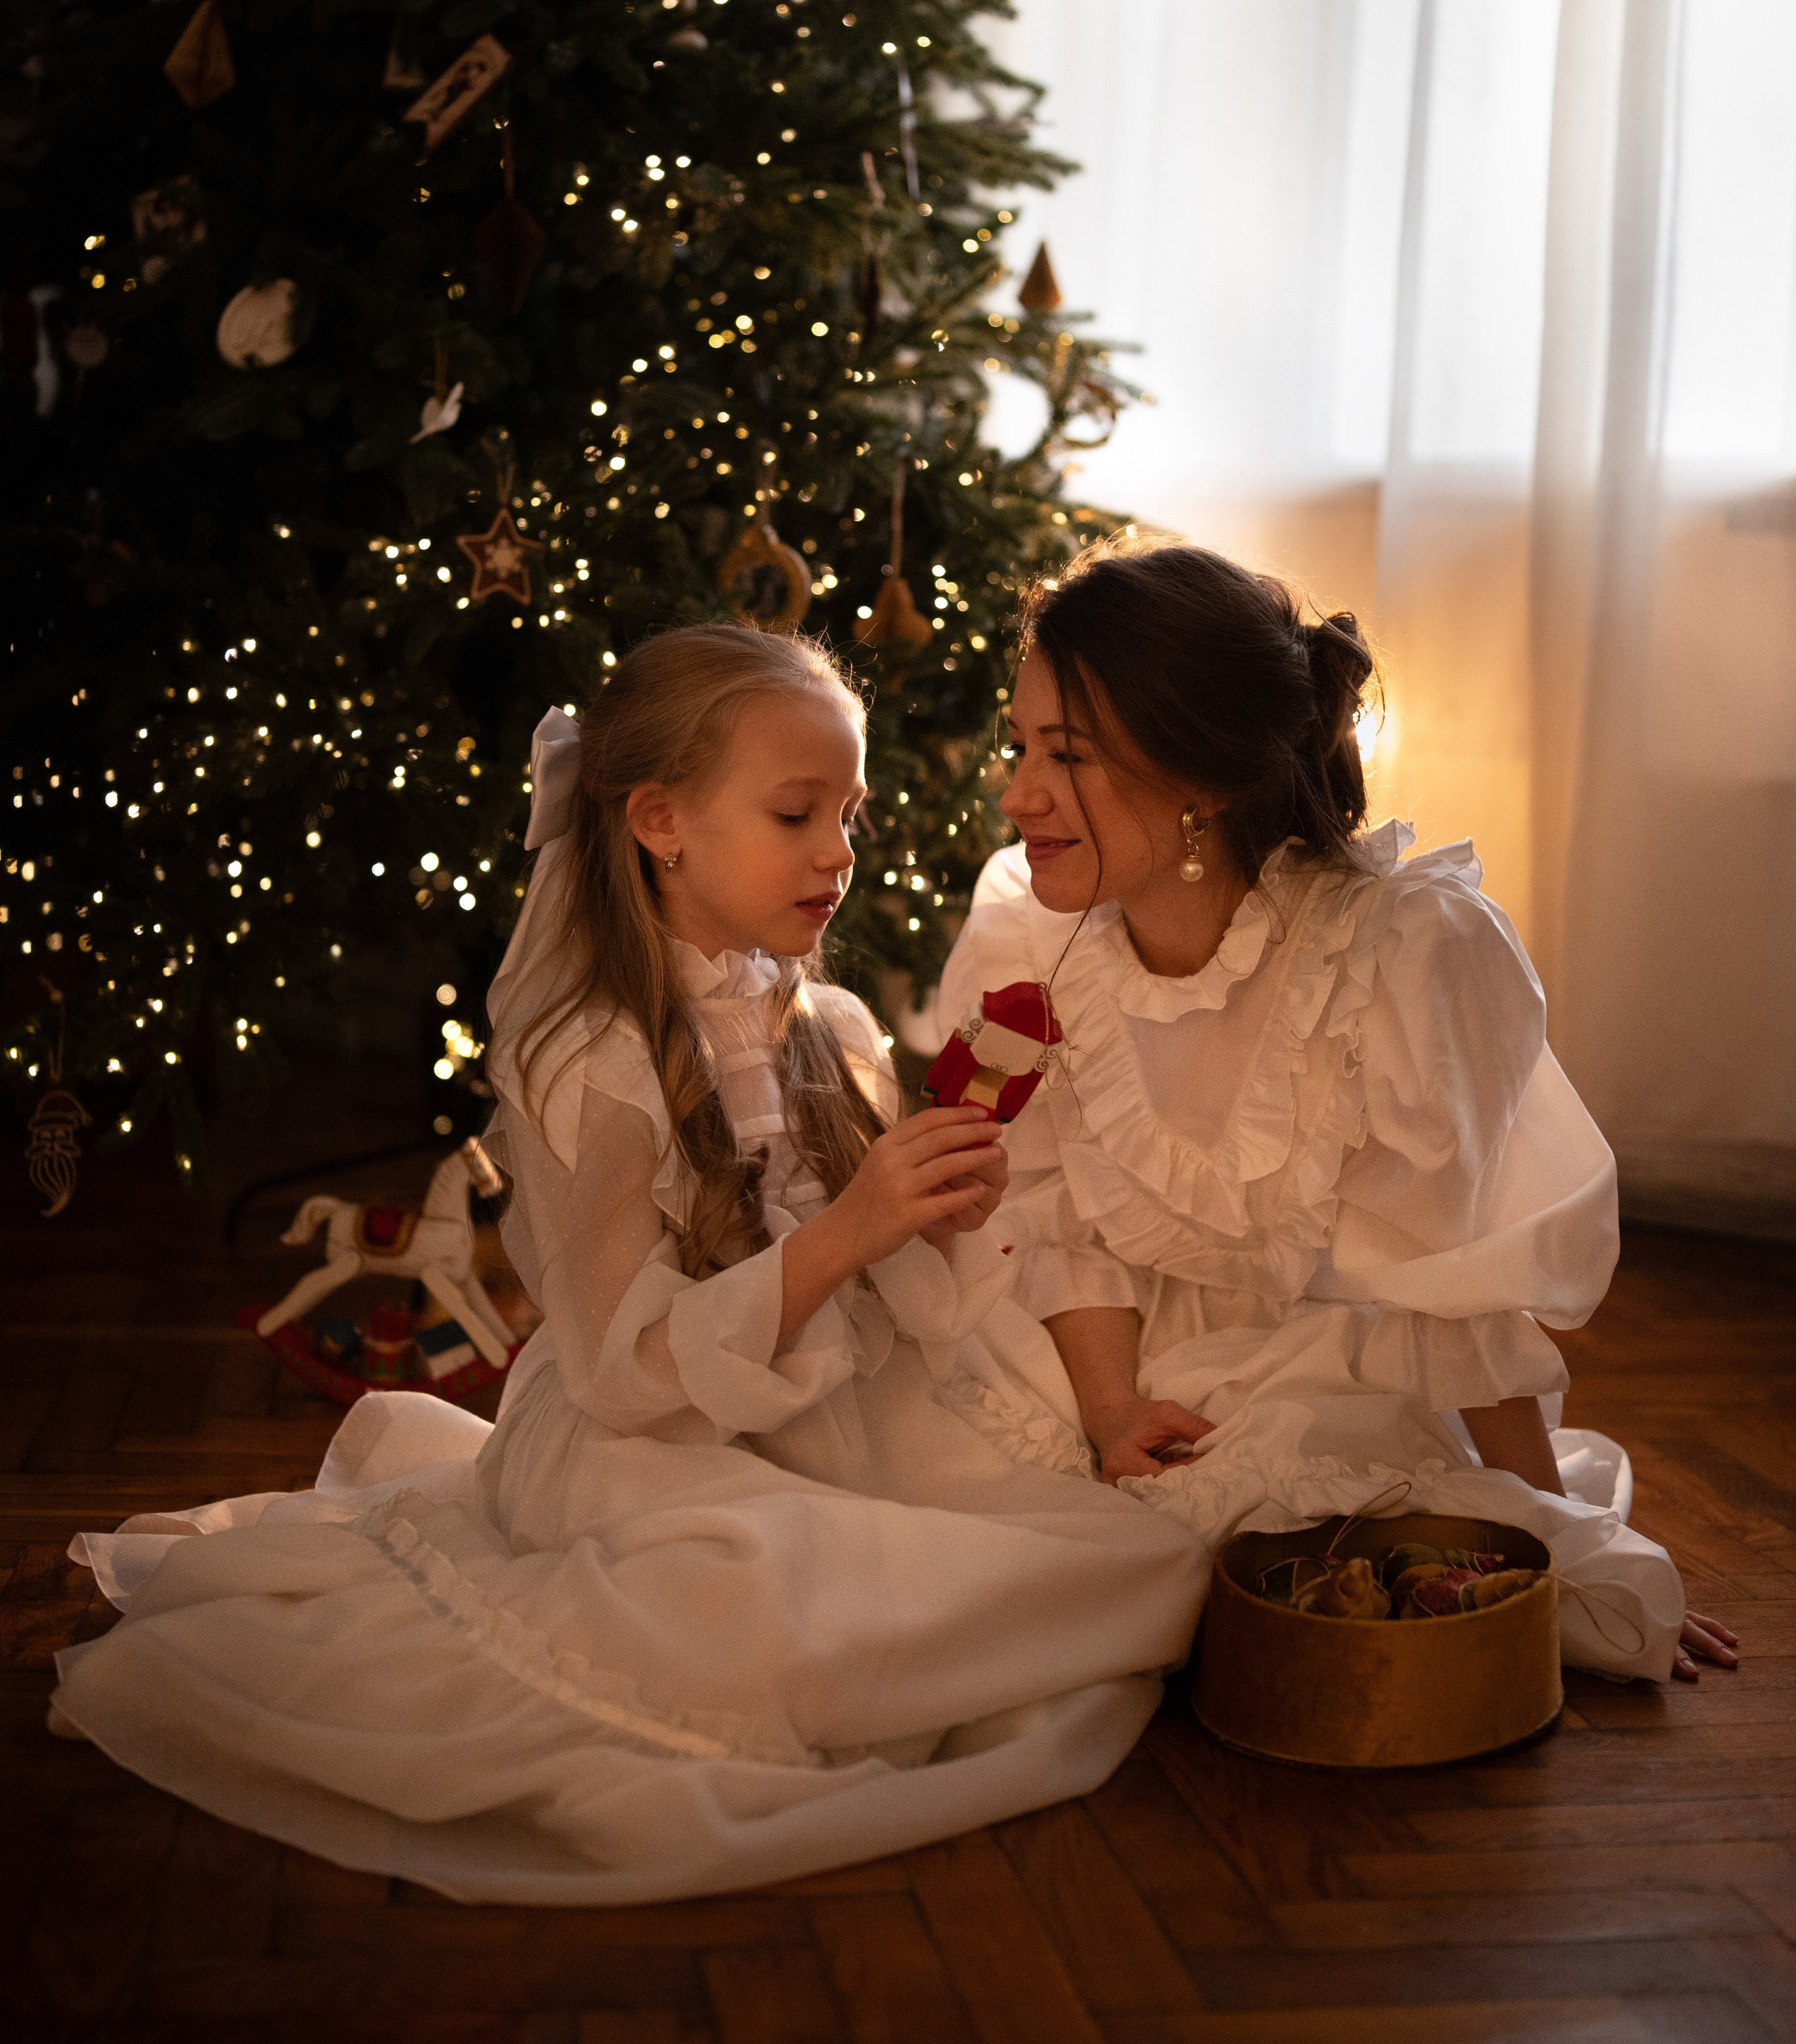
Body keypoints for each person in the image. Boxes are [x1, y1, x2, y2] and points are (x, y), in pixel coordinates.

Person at [50, 626, 1200, 1904]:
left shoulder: (834, 1024)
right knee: (785, 1615)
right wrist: (844, 1234)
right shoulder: (588, 1064)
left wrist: (924, 1214)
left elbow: (869, 1271)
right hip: (646, 1436)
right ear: (659, 821)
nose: (839, 854)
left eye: (851, 814)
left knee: (1131, 1562)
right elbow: (621, 1371)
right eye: (795, 814)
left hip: (828, 1400)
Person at [935, 537, 1737, 1687]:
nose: (1017, 795)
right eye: (1020, 748)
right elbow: (1060, 1216)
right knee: (973, 1558)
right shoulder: (1029, 936)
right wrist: (1113, 1411)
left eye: (1066, 756)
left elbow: (1457, 1281)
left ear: (1200, 774)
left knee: (1260, 1576)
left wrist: (1564, 1542)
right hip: (1093, 1354)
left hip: (1327, 1368)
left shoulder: (1403, 955)